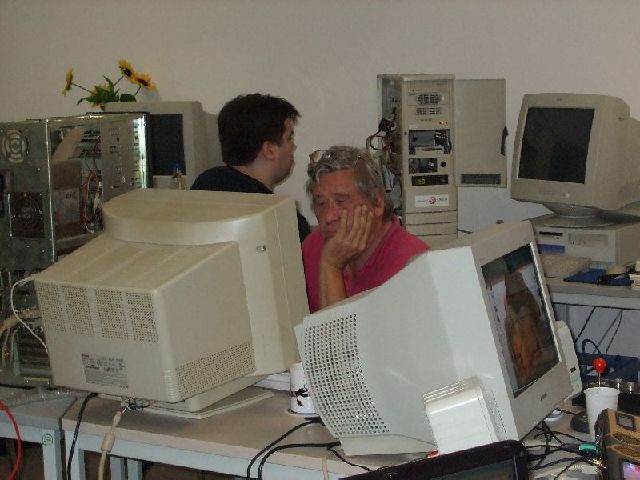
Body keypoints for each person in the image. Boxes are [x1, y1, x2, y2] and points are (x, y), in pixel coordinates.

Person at [302, 146, 429, 313]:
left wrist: (331, 265)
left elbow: (342, 331)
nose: (329, 216)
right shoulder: (313, 247)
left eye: (341, 201)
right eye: (321, 204)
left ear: (377, 203)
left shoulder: (413, 265)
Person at [191, 93, 311, 242]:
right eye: (289, 138)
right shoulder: (283, 218)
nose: (293, 147)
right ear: (269, 150)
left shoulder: (204, 184)